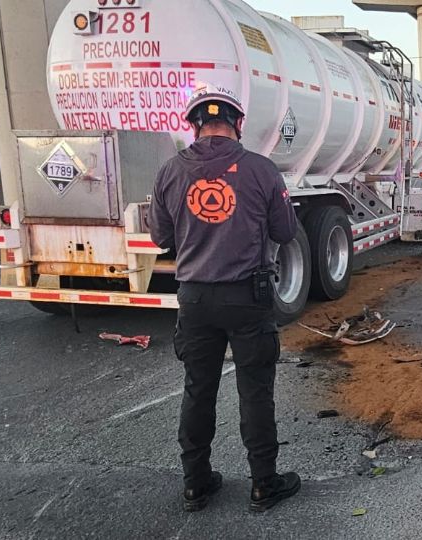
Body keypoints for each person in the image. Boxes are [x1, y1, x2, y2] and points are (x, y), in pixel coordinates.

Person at [150, 83, 301, 513]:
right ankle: (263, 484)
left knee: (198, 390)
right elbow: (285, 231)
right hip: (247, 297)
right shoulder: (261, 169)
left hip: (194, 299)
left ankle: (196, 484)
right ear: (239, 123)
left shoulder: (170, 171)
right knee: (255, 390)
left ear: (194, 124)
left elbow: (160, 237)